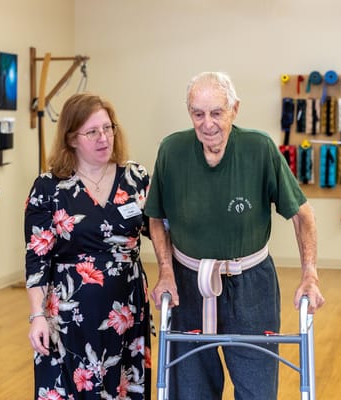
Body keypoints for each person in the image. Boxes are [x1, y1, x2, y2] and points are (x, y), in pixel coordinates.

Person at [145, 71, 325, 400]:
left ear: (235, 109)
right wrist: (166, 272)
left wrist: (309, 274)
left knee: (256, 385)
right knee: (190, 388)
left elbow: (302, 214)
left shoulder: (259, 148)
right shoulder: (172, 150)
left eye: (217, 112)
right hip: (188, 282)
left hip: (251, 284)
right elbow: (156, 217)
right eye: (198, 114)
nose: (207, 123)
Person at [24, 93, 152, 400]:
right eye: (92, 132)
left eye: (108, 128)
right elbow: (36, 259)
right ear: (71, 139)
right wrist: (36, 316)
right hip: (71, 315)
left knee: (123, 387)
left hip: (128, 307)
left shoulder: (136, 177)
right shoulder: (49, 187)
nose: (103, 138)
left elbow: (161, 232)